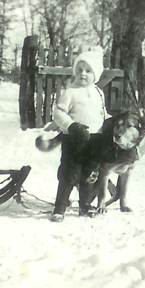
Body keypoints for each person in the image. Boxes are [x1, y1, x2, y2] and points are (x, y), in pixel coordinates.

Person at [50, 47, 109, 222]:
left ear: (96, 74)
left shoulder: (99, 93)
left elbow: (103, 114)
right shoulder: (71, 92)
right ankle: (59, 208)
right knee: (70, 174)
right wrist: (72, 125)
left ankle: (84, 206)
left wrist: (113, 124)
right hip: (74, 139)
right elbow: (58, 113)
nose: (83, 74)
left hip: (94, 140)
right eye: (79, 69)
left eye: (88, 70)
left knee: (90, 174)